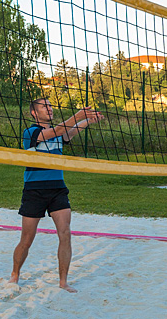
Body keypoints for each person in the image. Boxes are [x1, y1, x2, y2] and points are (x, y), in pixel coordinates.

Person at [10, 99, 103, 291]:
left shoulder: (59, 133)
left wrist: (88, 120)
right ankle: (15, 274)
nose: (50, 109)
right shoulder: (31, 133)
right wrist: (78, 116)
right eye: (45, 106)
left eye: (50, 106)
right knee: (27, 239)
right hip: (34, 190)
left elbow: (70, 132)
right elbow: (57, 131)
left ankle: (63, 281)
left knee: (65, 234)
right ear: (34, 113)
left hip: (57, 188)